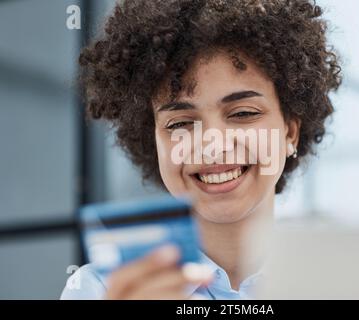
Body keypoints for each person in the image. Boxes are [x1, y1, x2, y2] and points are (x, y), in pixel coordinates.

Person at [61, 0, 341, 300]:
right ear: (153, 140)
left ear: (290, 131)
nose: (213, 145)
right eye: (180, 123)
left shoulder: (342, 282)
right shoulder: (101, 291)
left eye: (243, 113)